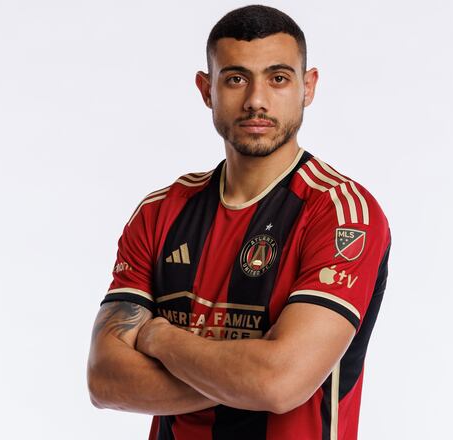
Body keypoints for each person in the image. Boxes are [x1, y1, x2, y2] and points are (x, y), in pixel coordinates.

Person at [86, 4, 391, 439]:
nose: (256, 100)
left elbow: (279, 383)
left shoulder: (342, 213)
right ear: (206, 89)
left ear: (308, 87)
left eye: (278, 78)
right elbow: (105, 380)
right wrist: (245, 371)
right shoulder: (159, 212)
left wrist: (159, 339)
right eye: (235, 78)